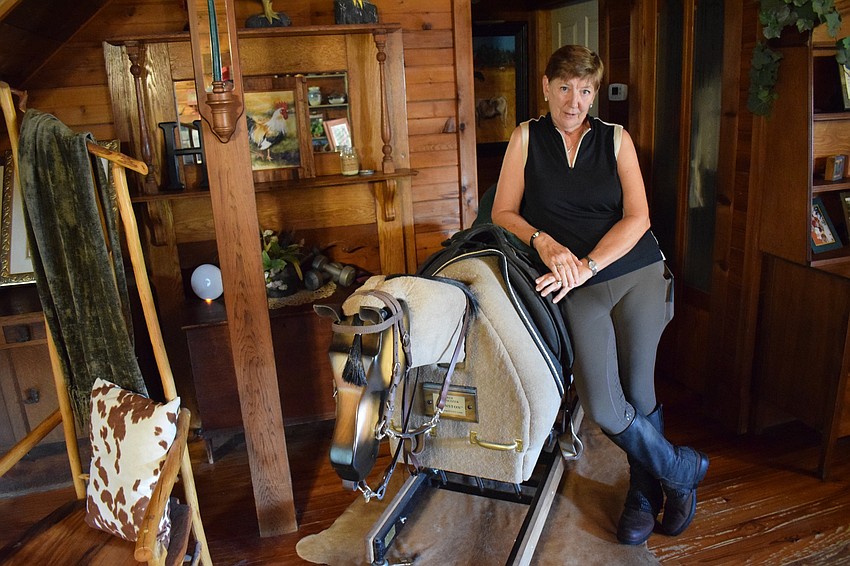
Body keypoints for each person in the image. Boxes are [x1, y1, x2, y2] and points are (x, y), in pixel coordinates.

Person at [491, 45, 709, 546]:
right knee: (605, 406)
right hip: (571, 282)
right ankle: (680, 468)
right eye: (565, 87)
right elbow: (503, 211)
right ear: (545, 86)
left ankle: (642, 490)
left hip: (636, 270)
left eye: (585, 89)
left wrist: (589, 264)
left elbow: (639, 218)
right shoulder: (525, 138)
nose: (574, 100)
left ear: (594, 92)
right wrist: (542, 241)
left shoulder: (616, 139)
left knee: (639, 390)